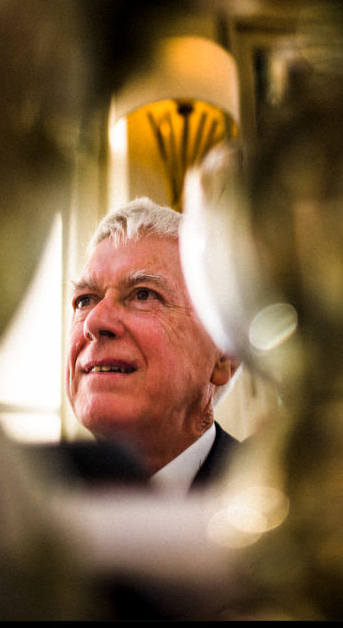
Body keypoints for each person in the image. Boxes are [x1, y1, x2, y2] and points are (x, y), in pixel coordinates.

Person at [63, 197, 241, 493]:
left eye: (143, 295)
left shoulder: (279, 500)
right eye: (85, 300)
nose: (95, 322)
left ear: (223, 355)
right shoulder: (29, 505)